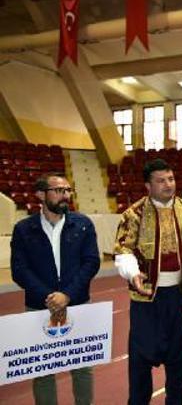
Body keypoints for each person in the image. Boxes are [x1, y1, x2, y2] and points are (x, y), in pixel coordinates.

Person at [11, 172, 100, 405]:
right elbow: (20, 270)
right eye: (59, 191)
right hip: (39, 307)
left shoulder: (83, 224)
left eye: (68, 190)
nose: (66, 196)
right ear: (41, 194)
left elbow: (91, 262)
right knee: (42, 370)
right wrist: (49, 297)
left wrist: (67, 294)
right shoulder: (23, 229)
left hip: (78, 304)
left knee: (82, 368)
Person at [113, 158, 182, 405]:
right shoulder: (133, 214)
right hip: (147, 297)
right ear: (148, 186)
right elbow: (123, 249)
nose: (168, 185)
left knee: (179, 358)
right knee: (140, 359)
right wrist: (132, 272)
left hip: (181, 296)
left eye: (170, 179)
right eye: (160, 181)